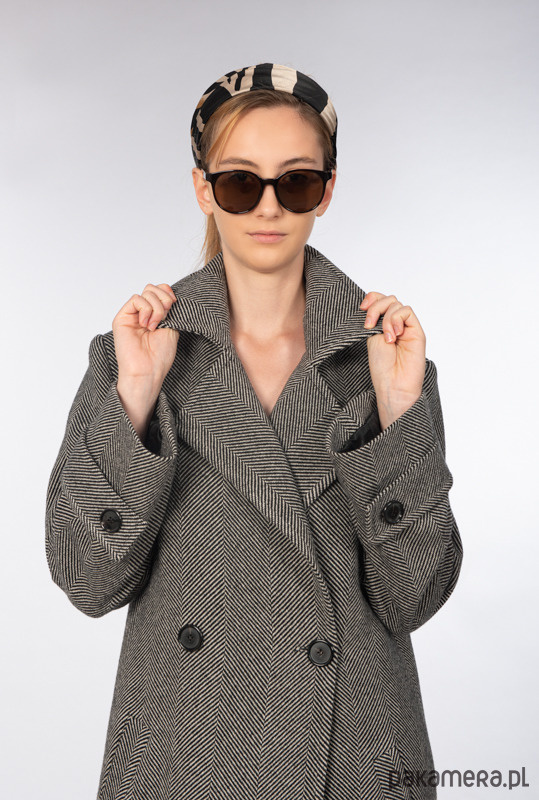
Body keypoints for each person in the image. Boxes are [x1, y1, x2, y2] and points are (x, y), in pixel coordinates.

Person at [45, 63, 463, 800]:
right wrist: (136, 396)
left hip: (352, 755)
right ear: (203, 188)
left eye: (295, 182)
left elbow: (415, 598)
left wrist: (398, 412)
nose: (268, 206)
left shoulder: (383, 360)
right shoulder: (135, 356)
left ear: (326, 191)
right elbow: (86, 580)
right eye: (241, 182)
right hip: (183, 755)